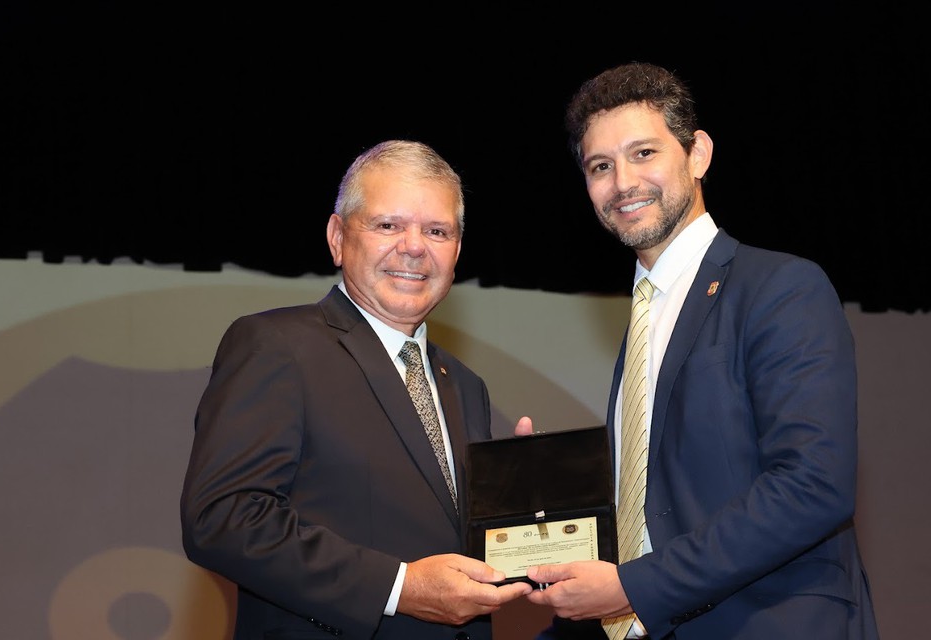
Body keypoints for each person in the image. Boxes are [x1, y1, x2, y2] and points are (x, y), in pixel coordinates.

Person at [518, 62, 880, 639]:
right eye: (600, 166)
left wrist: (636, 587)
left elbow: (814, 485)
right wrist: (542, 492)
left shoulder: (780, 286)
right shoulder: (645, 315)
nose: (623, 183)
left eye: (643, 154)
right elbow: (664, 497)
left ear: (698, 154)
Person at [180, 139, 533, 639]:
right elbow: (224, 518)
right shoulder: (276, 345)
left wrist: (519, 508)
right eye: (388, 225)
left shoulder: (466, 386)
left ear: (457, 252)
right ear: (338, 237)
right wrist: (399, 586)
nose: (414, 246)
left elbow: (445, 535)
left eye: (437, 231)